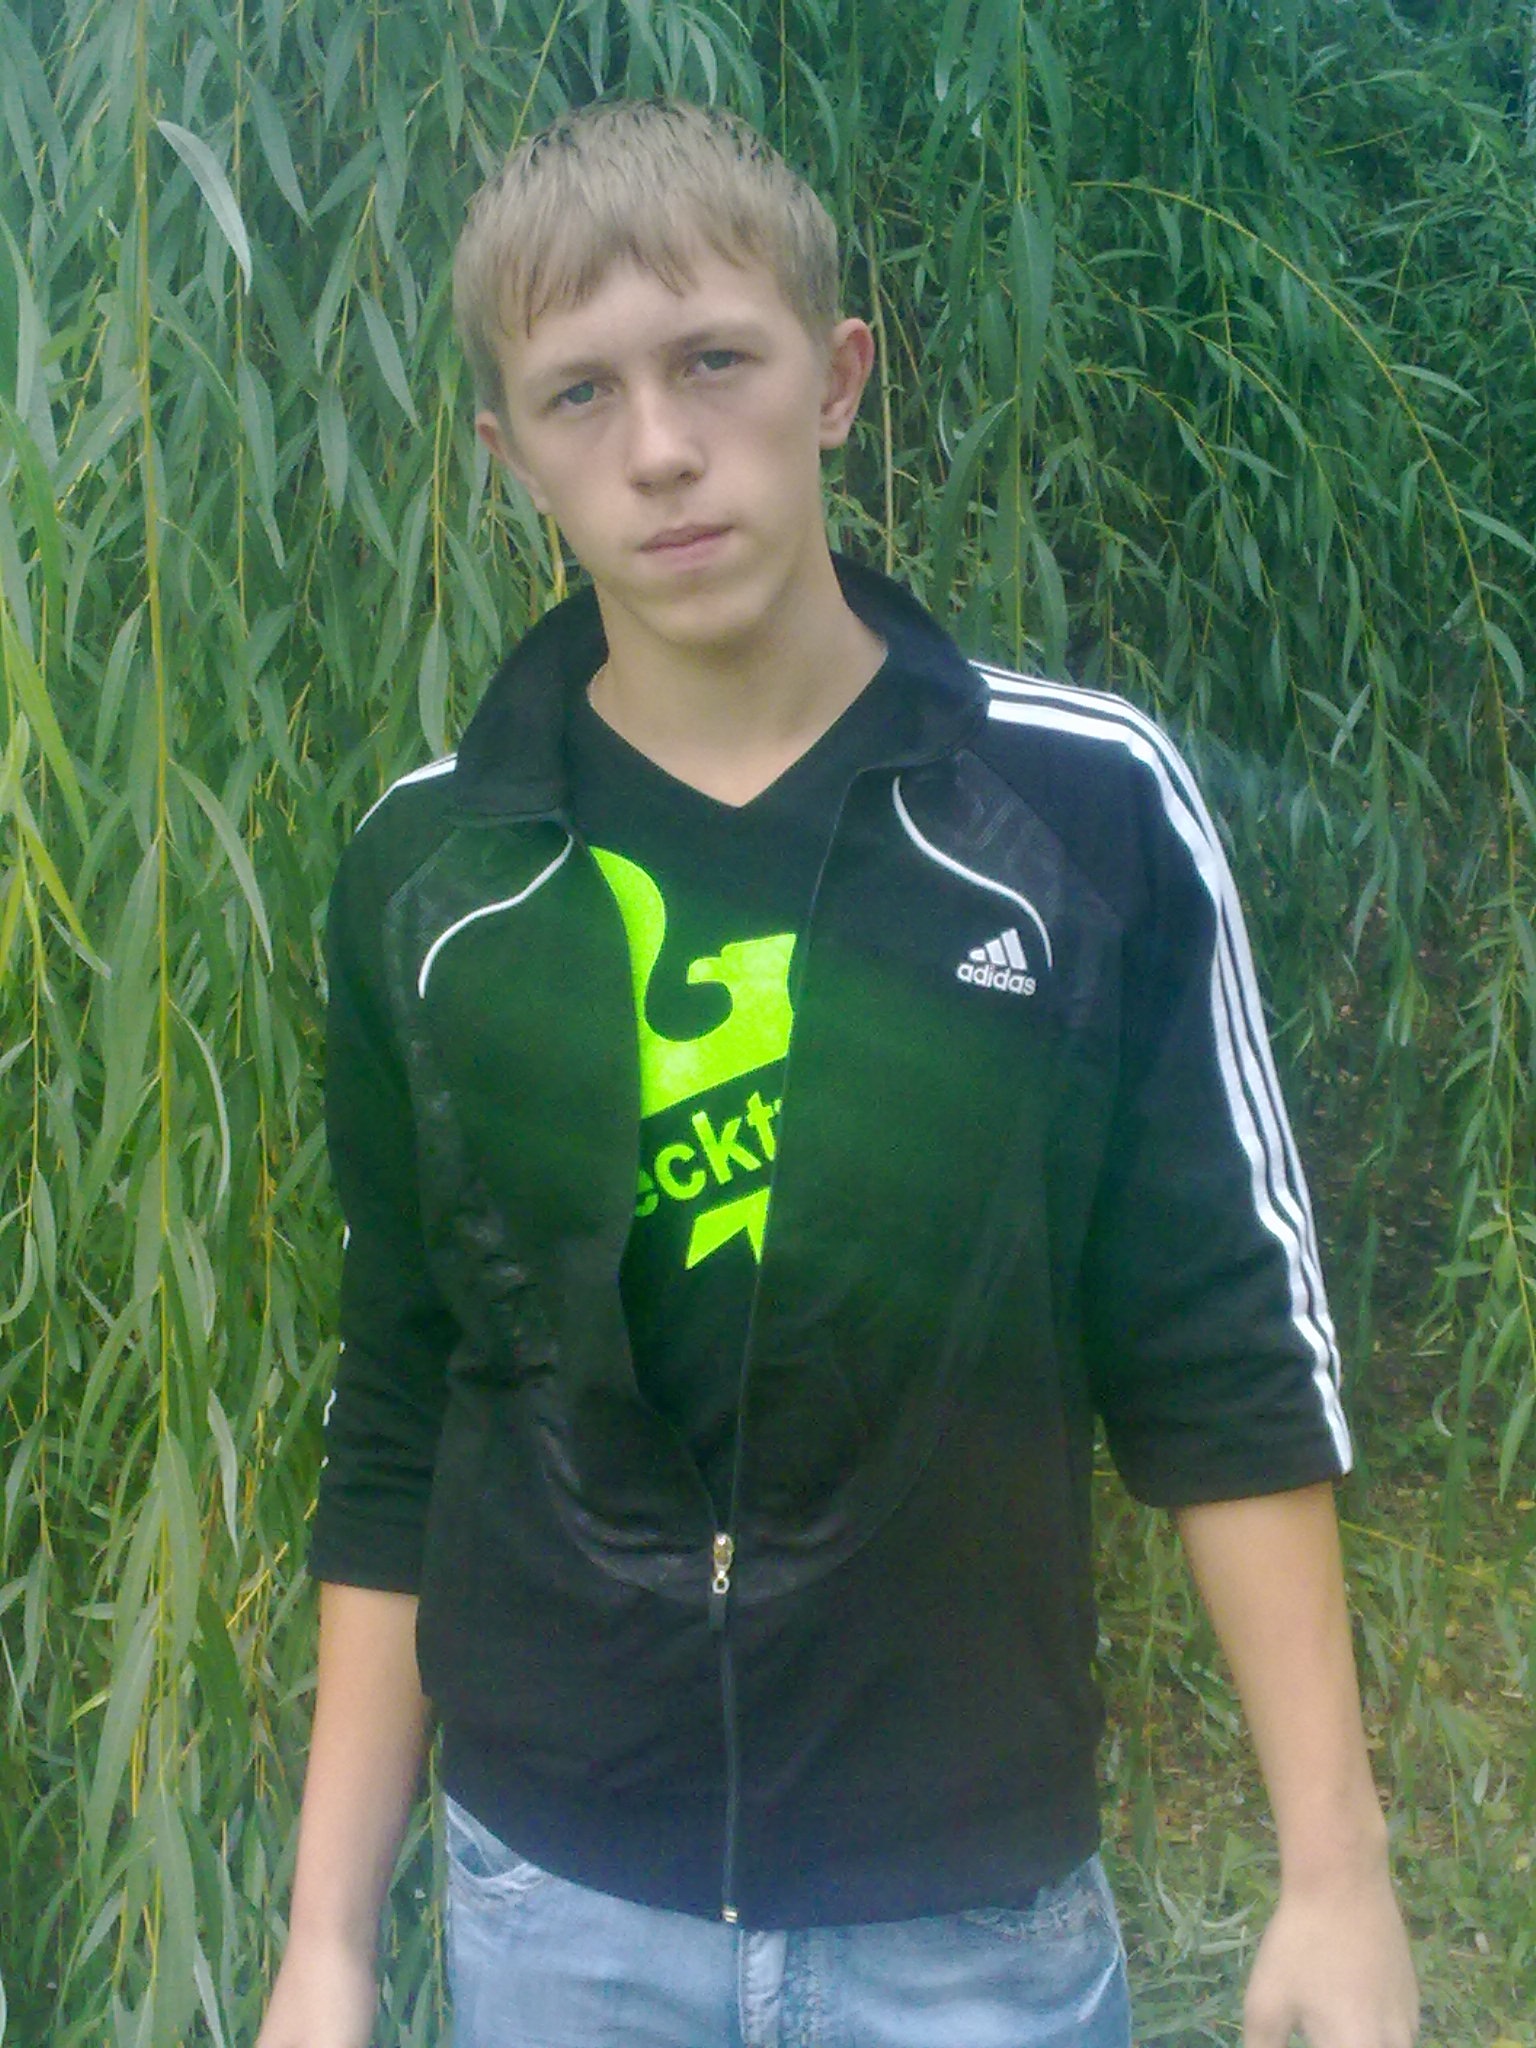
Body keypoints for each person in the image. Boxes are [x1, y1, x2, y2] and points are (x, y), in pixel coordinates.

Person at [256, 99, 1419, 2048]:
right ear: (504, 457)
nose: (660, 446)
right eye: (579, 393)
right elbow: (400, 1400)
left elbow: (1223, 1348)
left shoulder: (1079, 811)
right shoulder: (435, 874)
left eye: (716, 359)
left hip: (965, 1918)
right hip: (558, 1905)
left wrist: (1337, 1869)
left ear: (839, 378)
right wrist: (328, 1941)